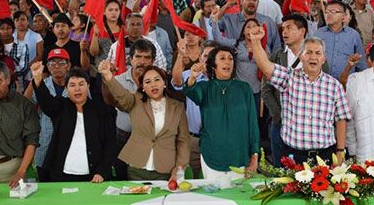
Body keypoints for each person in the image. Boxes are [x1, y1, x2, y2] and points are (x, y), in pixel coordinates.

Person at [251, 30, 350, 164]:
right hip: (293, 156)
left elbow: (341, 119)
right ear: (301, 56)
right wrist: (256, 41)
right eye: (308, 52)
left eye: (318, 53)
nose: (313, 57)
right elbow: (266, 67)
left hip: (325, 155)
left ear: (324, 58)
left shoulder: (334, 86)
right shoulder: (289, 78)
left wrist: (340, 151)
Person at [99, 60, 190, 181]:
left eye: (157, 80)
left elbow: (183, 141)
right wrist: (108, 76)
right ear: (142, 87)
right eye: (148, 82)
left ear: (164, 83)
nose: (153, 84)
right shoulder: (135, 101)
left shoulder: (178, 106)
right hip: (137, 169)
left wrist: (179, 169)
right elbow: (120, 93)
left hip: (166, 170)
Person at [261, 14, 329, 167]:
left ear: (302, 31)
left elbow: (324, 87)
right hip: (280, 123)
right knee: (281, 170)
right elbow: (266, 90)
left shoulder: (317, 58)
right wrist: (279, 114)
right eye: (283, 28)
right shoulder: (277, 57)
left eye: (289, 28)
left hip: (309, 127)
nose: (284, 32)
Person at [30, 62, 116, 182]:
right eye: (72, 85)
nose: (77, 89)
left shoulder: (102, 110)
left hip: (94, 176)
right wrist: (38, 78)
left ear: (88, 86)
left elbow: (110, 143)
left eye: (81, 84)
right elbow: (46, 101)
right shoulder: (61, 106)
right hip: (61, 175)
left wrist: (102, 172)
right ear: (66, 89)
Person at [182, 46, 259, 180]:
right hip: (212, 154)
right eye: (222, 58)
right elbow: (191, 91)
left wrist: (254, 155)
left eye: (230, 58)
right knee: (215, 198)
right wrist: (193, 77)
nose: (227, 62)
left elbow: (252, 124)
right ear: (213, 65)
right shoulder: (204, 88)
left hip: (239, 155)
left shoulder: (244, 88)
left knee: (238, 198)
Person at [101, 39, 155, 180]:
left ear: (153, 61)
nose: (142, 61)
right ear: (130, 59)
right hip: (123, 137)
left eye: (147, 57)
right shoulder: (117, 80)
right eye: (138, 57)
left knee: (147, 180)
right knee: (122, 177)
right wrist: (106, 78)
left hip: (150, 139)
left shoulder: (158, 82)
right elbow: (109, 100)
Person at [0, 61, 40, 186]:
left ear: (8, 79)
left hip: (14, 169)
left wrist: (22, 171)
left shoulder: (24, 105)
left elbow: (31, 141)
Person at [171, 40, 220, 178]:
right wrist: (180, 55)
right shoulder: (190, 75)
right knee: (191, 178)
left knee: (214, 178)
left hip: (215, 139)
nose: (207, 60)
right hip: (193, 139)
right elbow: (176, 81)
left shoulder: (224, 79)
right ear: (200, 57)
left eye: (212, 57)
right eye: (205, 56)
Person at [23, 48, 72, 181]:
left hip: (70, 139)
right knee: (45, 179)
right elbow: (26, 104)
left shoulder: (76, 84)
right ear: (47, 67)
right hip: (45, 137)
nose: (56, 66)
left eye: (61, 62)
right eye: (52, 63)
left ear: (69, 65)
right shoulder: (41, 83)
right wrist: (35, 80)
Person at [217, 0, 282, 53]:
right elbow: (213, 23)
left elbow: (277, 46)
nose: (251, 2)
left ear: (258, 3)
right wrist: (226, 6)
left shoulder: (268, 22)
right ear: (241, 1)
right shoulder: (229, 19)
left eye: (254, 0)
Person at [315, 0, 366, 79]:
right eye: (327, 12)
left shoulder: (353, 35)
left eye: (333, 12)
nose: (329, 15)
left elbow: (361, 62)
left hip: (346, 82)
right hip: (323, 82)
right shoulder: (318, 34)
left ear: (343, 16)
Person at [0, 17, 29, 89]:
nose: (5, 31)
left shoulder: (22, 46)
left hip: (18, 87)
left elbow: (24, 68)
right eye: (2, 28)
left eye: (8, 28)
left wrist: (5, 72)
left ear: (13, 30)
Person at [89, 0, 124, 64]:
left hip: (121, 68)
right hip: (102, 69)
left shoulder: (124, 29)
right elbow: (93, 53)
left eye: (116, 10)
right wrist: (95, 35)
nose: (114, 12)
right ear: (104, 12)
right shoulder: (97, 28)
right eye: (110, 10)